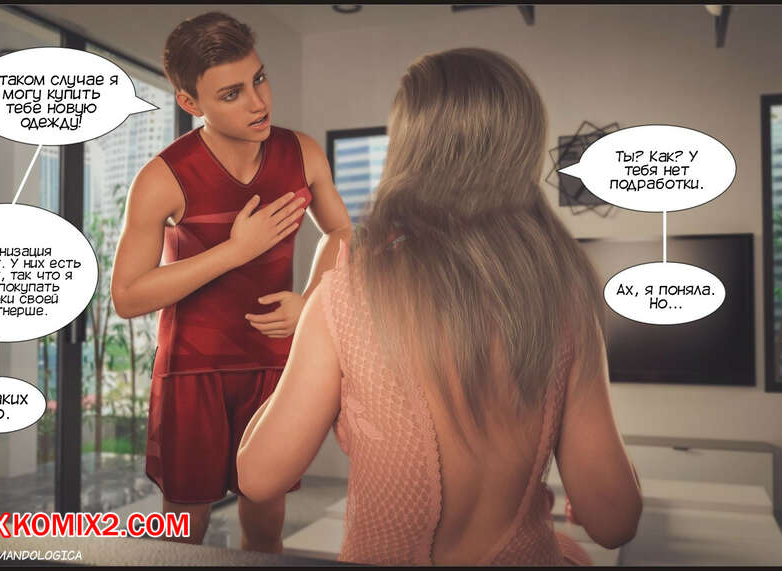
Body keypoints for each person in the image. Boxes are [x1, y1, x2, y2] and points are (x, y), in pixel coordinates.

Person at [237, 47, 643, 565]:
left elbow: (258, 476)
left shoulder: (346, 295)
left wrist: (309, 328)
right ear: (522, 150)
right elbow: (613, 519)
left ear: (408, 149)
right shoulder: (566, 299)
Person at [110, 11, 352, 551]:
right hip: (192, 369)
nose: (258, 102)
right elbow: (127, 296)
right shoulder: (161, 177)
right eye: (232, 94)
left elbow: (341, 231)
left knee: (265, 523)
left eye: (258, 79)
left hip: (274, 361)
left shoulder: (303, 152)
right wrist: (236, 251)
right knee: (184, 528)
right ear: (190, 102)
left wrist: (312, 301)